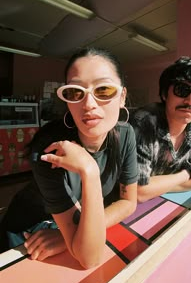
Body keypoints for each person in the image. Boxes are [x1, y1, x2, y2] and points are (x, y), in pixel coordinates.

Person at [0, 47, 138, 269]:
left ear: (122, 96)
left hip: (69, 229)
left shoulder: (126, 135)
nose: (89, 104)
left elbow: (128, 202)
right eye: (75, 92)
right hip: (29, 236)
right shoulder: (48, 150)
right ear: (67, 101)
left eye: (103, 90)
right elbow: (89, 259)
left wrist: (73, 236)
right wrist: (90, 171)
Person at [130, 56, 191, 203]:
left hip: (174, 204)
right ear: (165, 94)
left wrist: (154, 186)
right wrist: (184, 175)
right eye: (182, 90)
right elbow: (138, 192)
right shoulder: (144, 122)